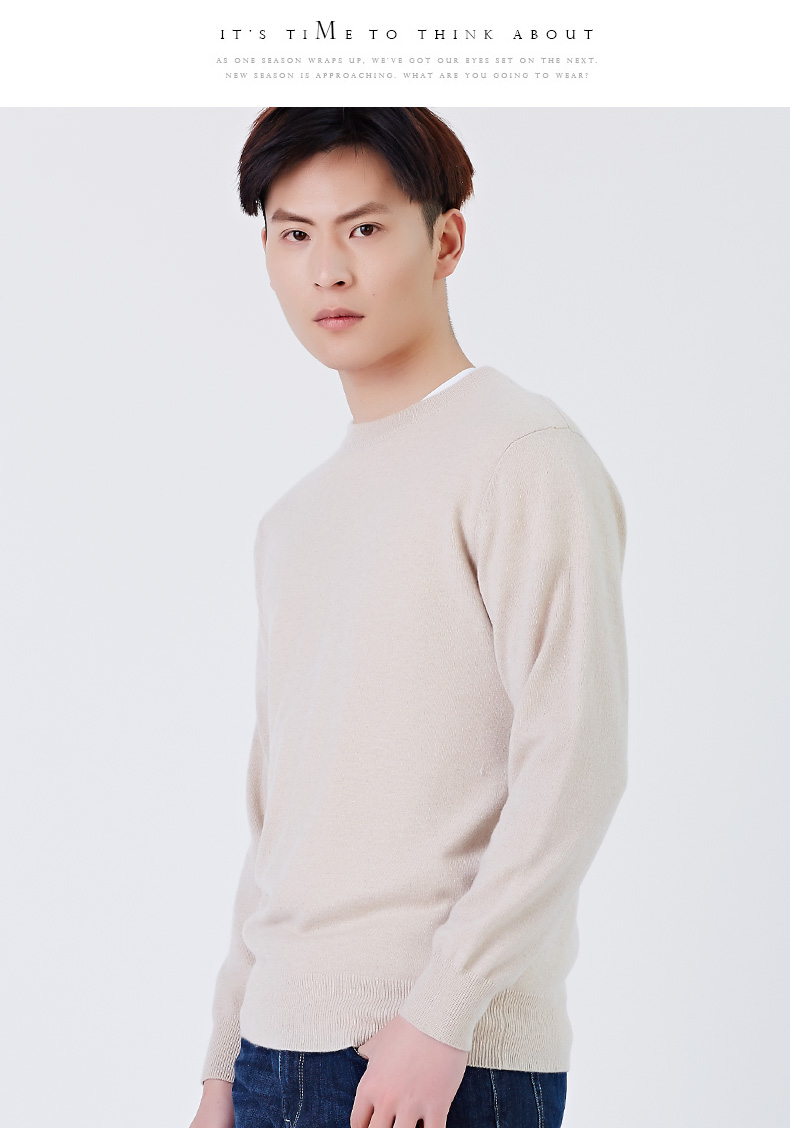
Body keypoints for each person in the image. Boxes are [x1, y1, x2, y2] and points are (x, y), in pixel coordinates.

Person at [189, 106, 628, 1129]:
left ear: (446, 240)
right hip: (272, 1054)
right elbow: (278, 818)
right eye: (294, 234)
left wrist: (442, 1012)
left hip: (441, 1055)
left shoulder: (521, 454)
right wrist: (223, 1056)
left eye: (364, 227)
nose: (327, 270)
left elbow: (577, 757)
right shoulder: (292, 520)